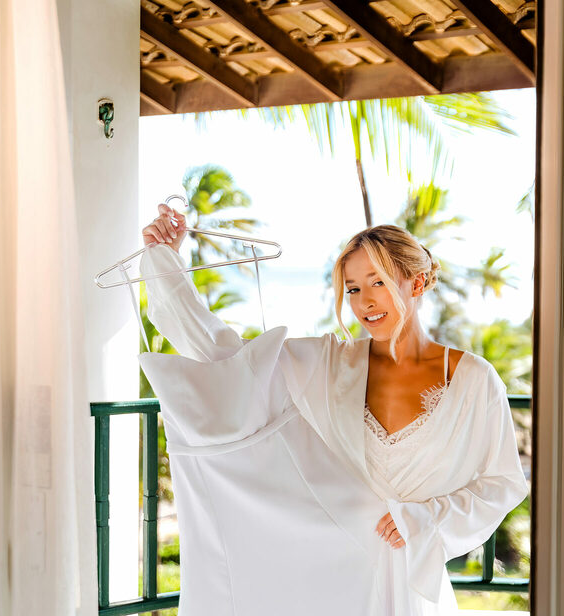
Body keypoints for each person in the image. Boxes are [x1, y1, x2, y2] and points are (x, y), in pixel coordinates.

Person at [141, 203, 528, 614]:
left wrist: (425, 519)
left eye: (378, 282)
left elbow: (503, 482)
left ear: (416, 283)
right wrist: (166, 264)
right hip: (332, 573)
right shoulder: (331, 363)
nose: (365, 302)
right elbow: (224, 353)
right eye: (353, 289)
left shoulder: (474, 379)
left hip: (410, 577)